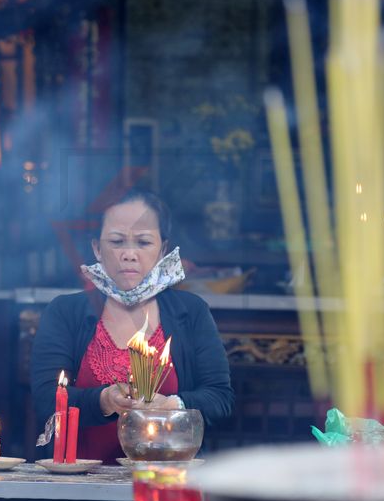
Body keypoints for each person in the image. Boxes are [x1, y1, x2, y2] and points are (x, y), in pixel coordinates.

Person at [30, 190, 234, 463]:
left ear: (163, 249)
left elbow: (220, 398)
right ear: (96, 249)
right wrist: (104, 400)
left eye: (143, 242)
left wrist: (171, 405)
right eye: (116, 241)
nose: (129, 254)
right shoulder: (65, 312)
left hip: (165, 482)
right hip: (78, 483)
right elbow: (46, 399)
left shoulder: (191, 312)